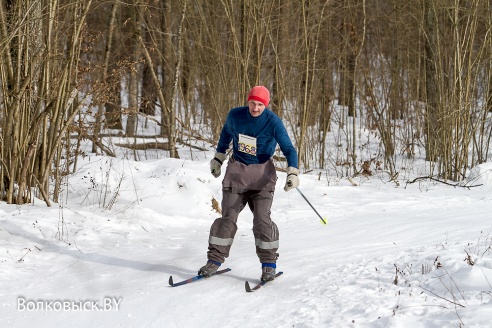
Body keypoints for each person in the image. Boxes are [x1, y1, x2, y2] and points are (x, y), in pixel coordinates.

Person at [198, 85, 299, 282]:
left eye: (260, 104)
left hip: (262, 177)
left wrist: (293, 172)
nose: (255, 108)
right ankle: (214, 260)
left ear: (266, 105)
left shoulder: (273, 122)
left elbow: (289, 148)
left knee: (262, 220)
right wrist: (218, 158)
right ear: (248, 101)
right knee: (227, 218)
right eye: (253, 103)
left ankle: (269, 265)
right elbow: (225, 136)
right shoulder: (235, 116)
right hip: (237, 174)